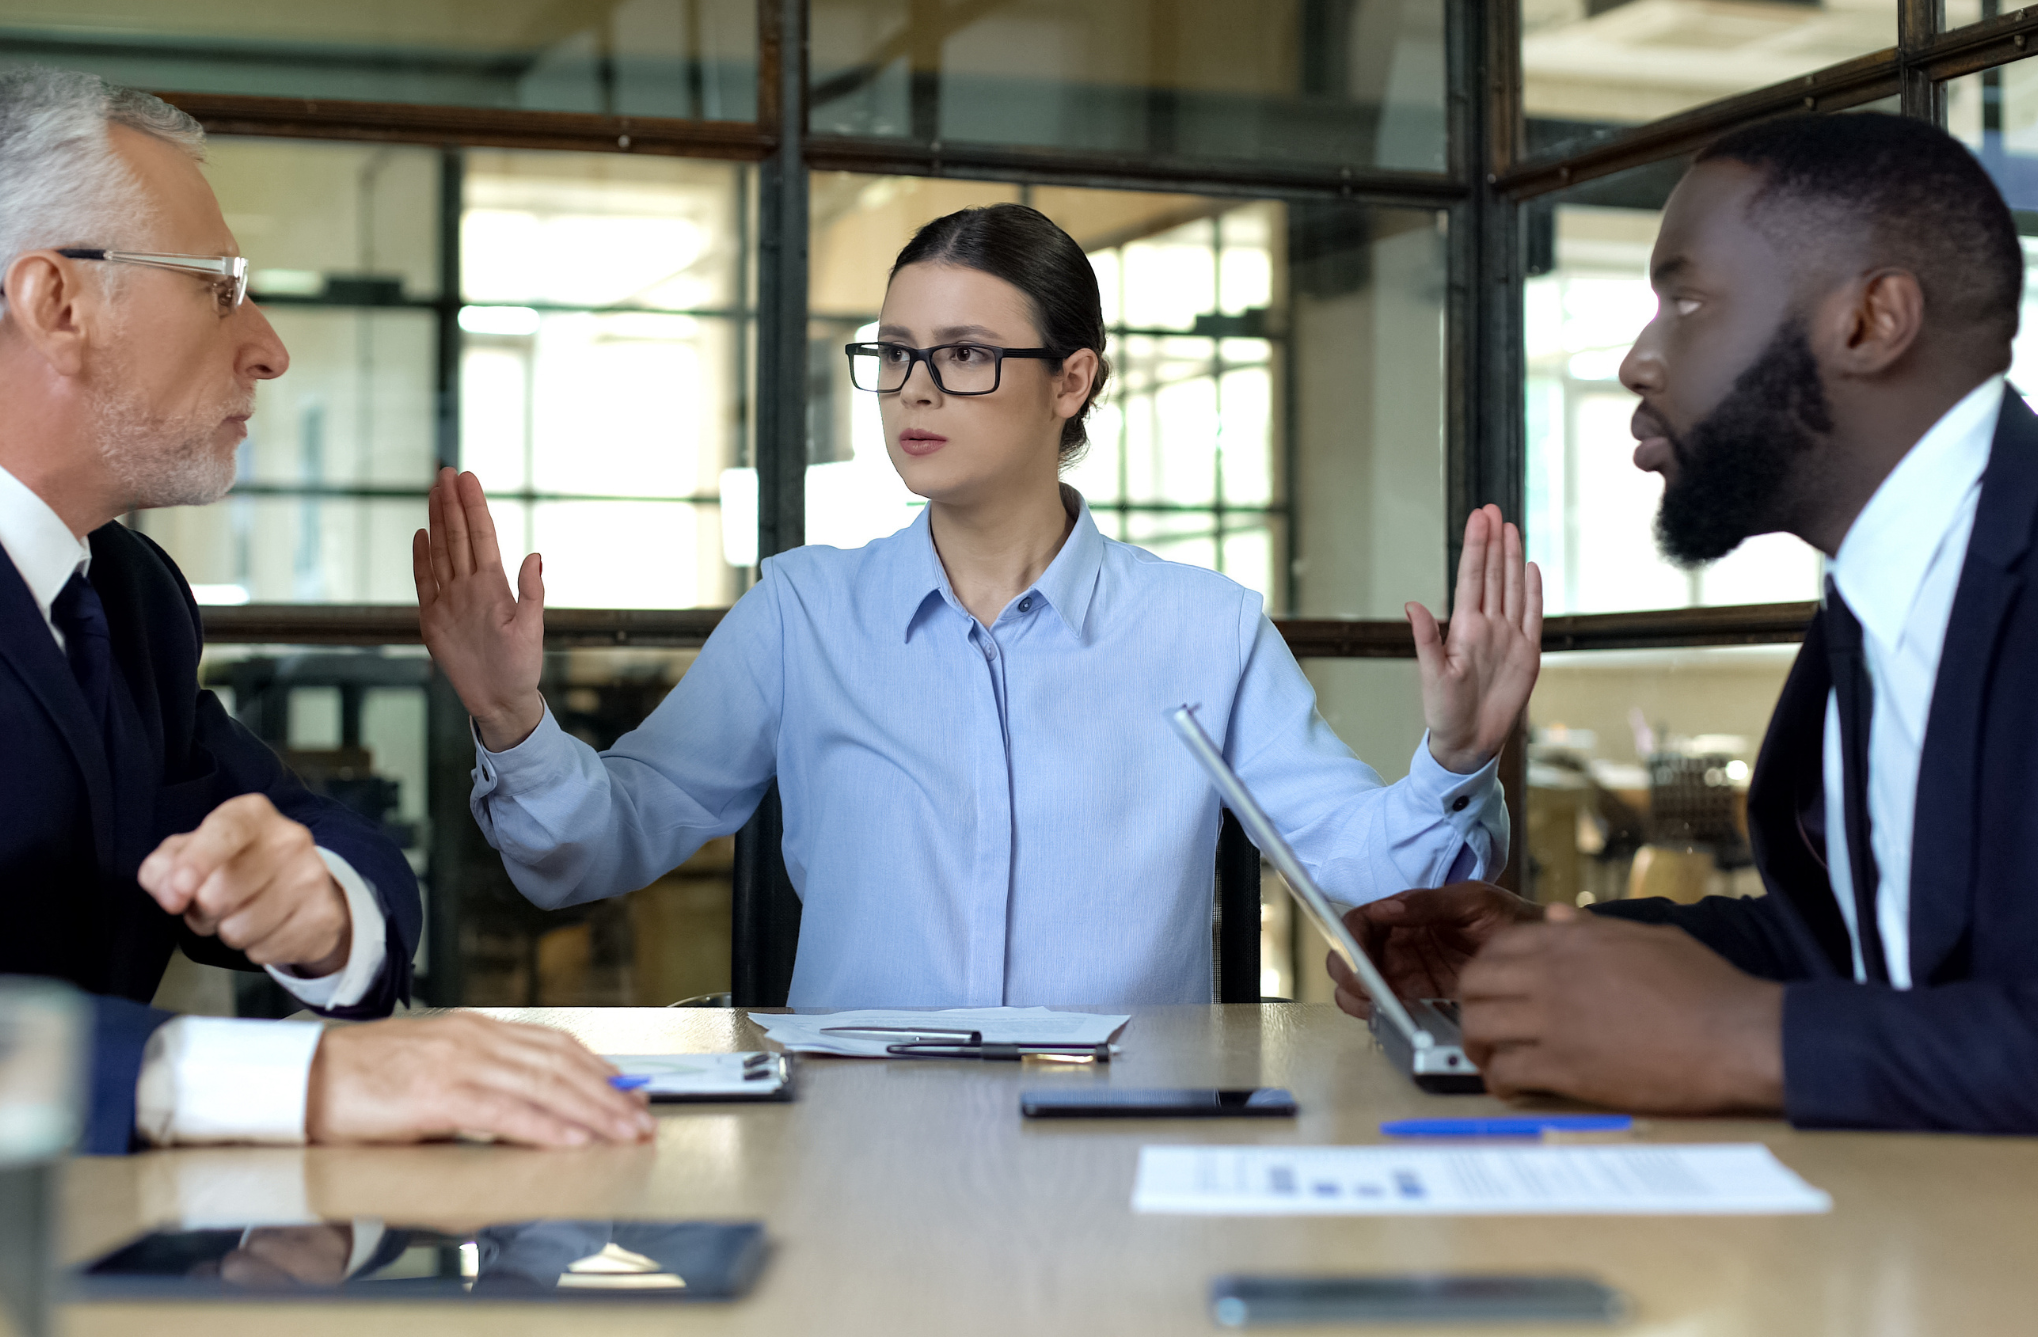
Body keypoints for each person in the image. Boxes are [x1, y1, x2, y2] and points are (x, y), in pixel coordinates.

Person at [418, 203, 1543, 1008]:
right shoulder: (802, 613)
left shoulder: (1203, 628)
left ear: (1072, 381)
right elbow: (592, 851)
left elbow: (1364, 873)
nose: (913, 388)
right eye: (895, 353)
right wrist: (515, 722)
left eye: (961, 355)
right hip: (856, 1156)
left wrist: (1452, 759)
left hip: (1122, 1153)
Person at [1327, 111, 2038, 1132]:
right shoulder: (1884, 591)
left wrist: (1749, 1042)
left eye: (1688, 299)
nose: (1636, 360)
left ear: (1869, 320)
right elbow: (1866, 954)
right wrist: (1552, 956)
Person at [1, 67, 651, 1152]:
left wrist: (321, 911)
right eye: (218, 285)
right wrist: (285, 1077)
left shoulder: (126, 595)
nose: (267, 345)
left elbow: (329, 836)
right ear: (56, 304)